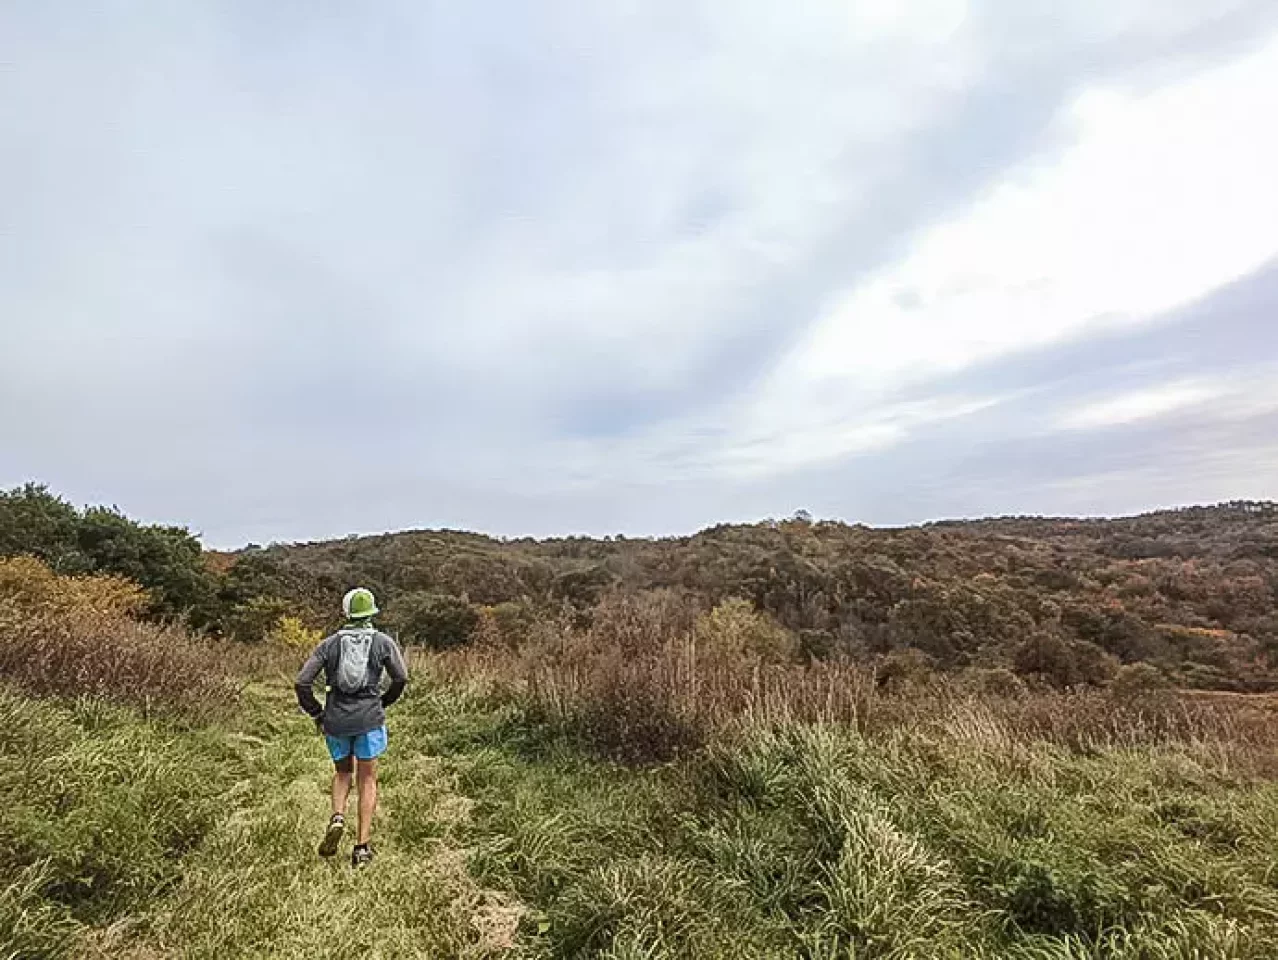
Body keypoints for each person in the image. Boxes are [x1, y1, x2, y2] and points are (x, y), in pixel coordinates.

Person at [295, 587, 408, 867]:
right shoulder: (383, 642)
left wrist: (317, 713)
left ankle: (337, 816)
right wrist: (383, 703)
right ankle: (361, 848)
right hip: (369, 719)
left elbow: (302, 682)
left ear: (346, 613)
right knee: (367, 779)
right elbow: (401, 678)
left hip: (335, 719)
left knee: (343, 772)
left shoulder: (329, 644)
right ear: (372, 612)